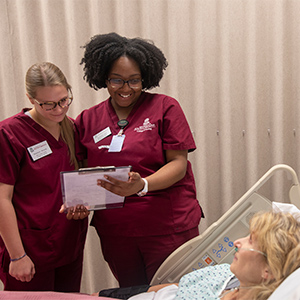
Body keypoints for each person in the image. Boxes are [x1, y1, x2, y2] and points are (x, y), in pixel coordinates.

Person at [75, 32, 204, 287]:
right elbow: (81, 170)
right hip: (117, 232)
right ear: (104, 78)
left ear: (145, 77)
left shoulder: (165, 107)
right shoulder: (87, 119)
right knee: (132, 293)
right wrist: (78, 201)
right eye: (117, 80)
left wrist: (142, 185)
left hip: (166, 225)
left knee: (174, 292)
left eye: (134, 81)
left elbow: (178, 164)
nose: (126, 89)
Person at [0, 62, 88, 292]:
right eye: (48, 105)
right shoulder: (9, 134)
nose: (58, 109)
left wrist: (84, 204)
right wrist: (17, 256)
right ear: (31, 99)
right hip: (29, 248)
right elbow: (1, 199)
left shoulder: (71, 128)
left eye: (63, 100)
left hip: (67, 243)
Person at [92, 210, 300, 300]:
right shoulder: (227, 275)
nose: (237, 242)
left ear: (269, 270)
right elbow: (176, 287)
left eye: (251, 241)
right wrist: (109, 294)